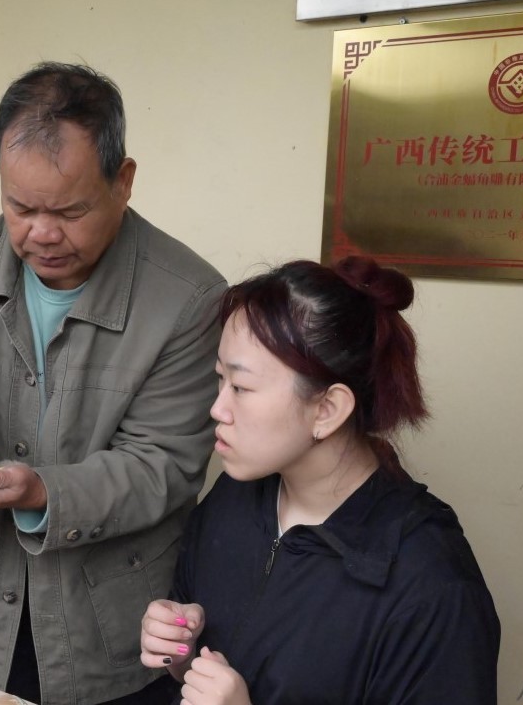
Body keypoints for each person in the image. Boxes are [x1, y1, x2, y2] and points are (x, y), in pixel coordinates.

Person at [0, 63, 226, 704]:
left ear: (123, 182)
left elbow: (165, 464)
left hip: (113, 634)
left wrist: (43, 490)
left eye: (71, 211)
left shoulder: (187, 298)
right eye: (20, 207)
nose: (42, 234)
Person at [139, 257, 500, 704]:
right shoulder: (235, 494)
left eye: (241, 388)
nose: (218, 409)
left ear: (327, 410)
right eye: (220, 379)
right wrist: (180, 650)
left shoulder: (431, 584)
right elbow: (199, 667)